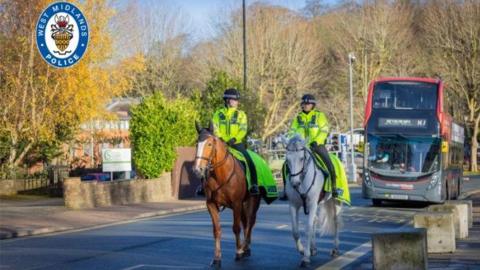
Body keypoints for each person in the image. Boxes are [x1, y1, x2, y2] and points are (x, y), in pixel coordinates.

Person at [280, 94, 337, 200]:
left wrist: (317, 141)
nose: (306, 105)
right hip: (300, 147)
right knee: (285, 166)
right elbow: (292, 130)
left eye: (308, 104)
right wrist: (291, 141)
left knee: (329, 164)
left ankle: (333, 187)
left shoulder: (320, 116)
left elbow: (324, 130)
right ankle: (285, 190)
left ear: (313, 105)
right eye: (304, 104)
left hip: (316, 146)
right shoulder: (298, 117)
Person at [212, 88, 259, 195]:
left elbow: (243, 129)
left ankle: (254, 185)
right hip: (221, 143)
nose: (237, 102)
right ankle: (203, 186)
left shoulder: (241, 114)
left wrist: (234, 139)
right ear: (227, 100)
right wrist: (221, 139)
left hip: (236, 143)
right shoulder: (217, 114)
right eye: (235, 100)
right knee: (208, 161)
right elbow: (215, 128)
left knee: (249, 160)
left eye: (237, 100)